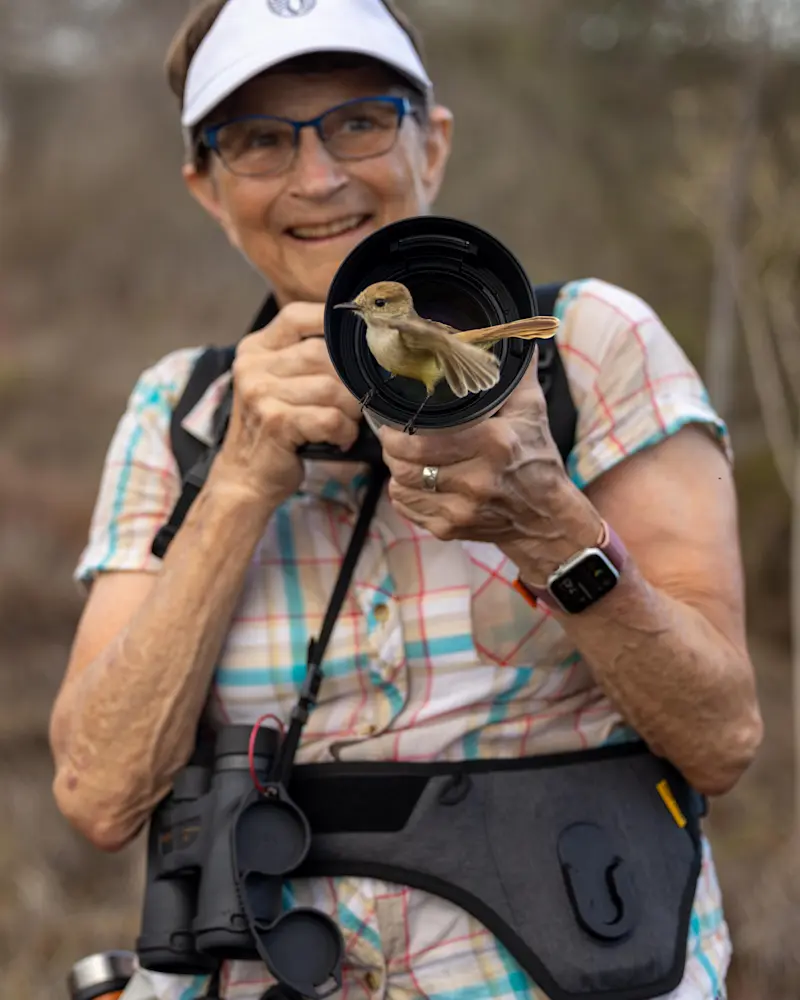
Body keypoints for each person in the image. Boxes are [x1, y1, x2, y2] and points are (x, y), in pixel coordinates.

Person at [49, 1, 763, 998]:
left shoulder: (581, 345)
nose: (318, 177)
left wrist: (544, 523)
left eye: (358, 120)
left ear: (432, 139)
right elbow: (99, 792)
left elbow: (721, 737)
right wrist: (241, 480)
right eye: (258, 140)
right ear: (206, 189)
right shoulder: (179, 409)